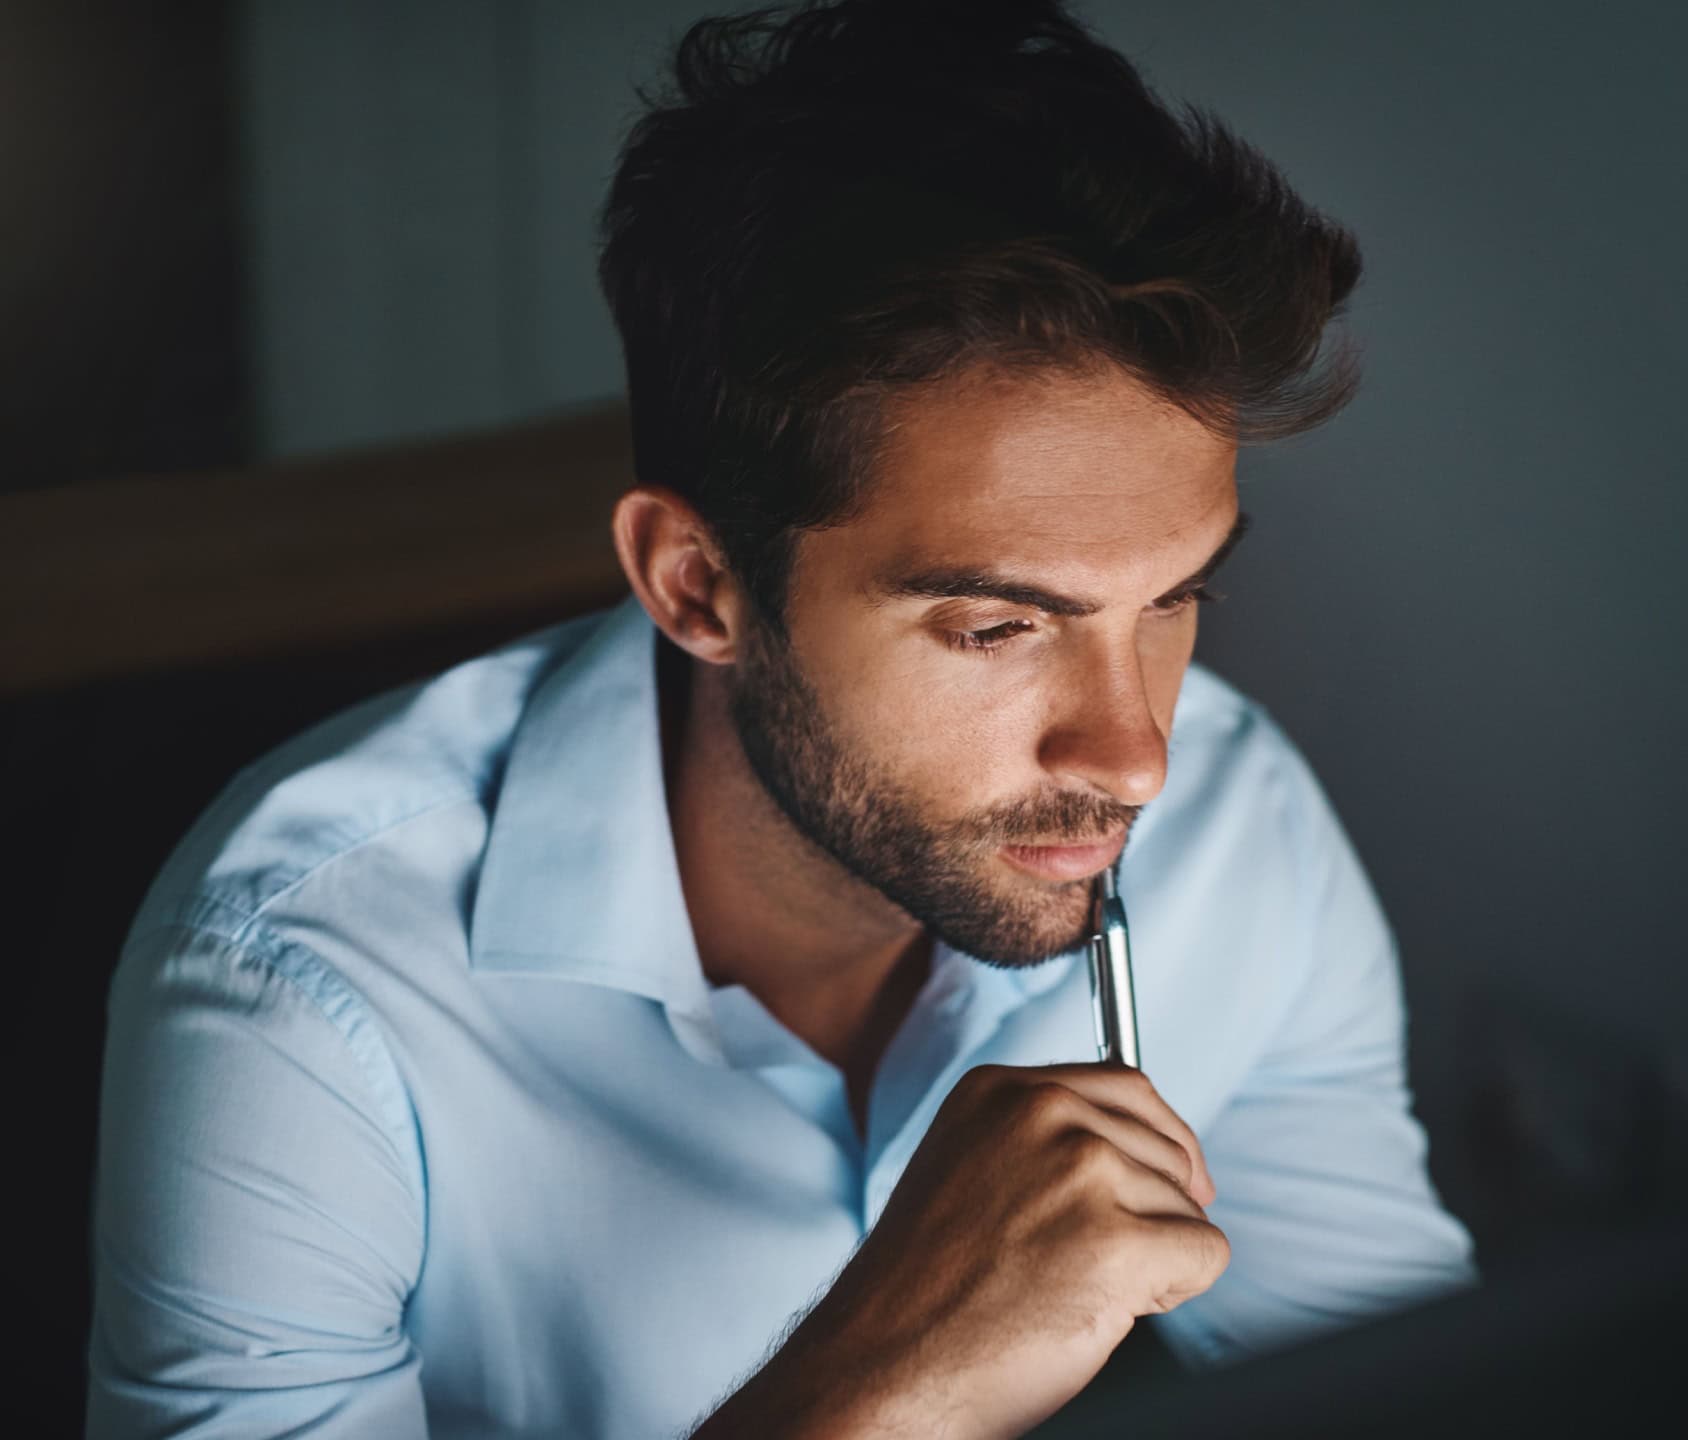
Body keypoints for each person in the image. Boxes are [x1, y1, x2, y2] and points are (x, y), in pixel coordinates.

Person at [85, 1, 1476, 1435]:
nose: (1137, 758)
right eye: (997, 627)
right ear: (698, 585)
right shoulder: (303, 985)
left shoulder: (1242, 825)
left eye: (1176, 600)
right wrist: (884, 1382)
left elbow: (1409, 1391)